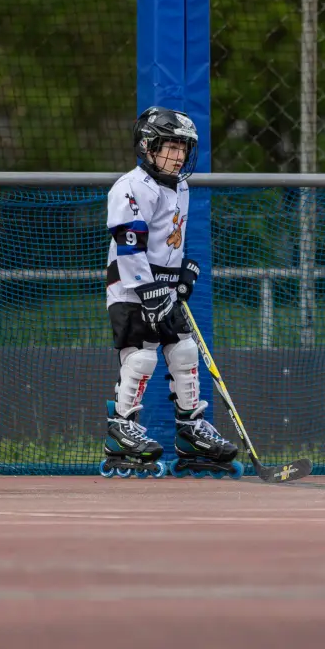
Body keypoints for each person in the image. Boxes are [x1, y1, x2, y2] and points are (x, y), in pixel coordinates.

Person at [100, 106, 241, 478]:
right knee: (141, 356)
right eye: (170, 147)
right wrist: (147, 289)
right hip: (132, 289)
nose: (178, 156)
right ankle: (120, 428)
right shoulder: (129, 187)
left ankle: (191, 430)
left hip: (163, 287)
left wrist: (183, 272)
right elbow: (130, 244)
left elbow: (171, 239)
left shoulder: (181, 186)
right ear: (147, 146)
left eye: (183, 148)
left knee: (184, 350)